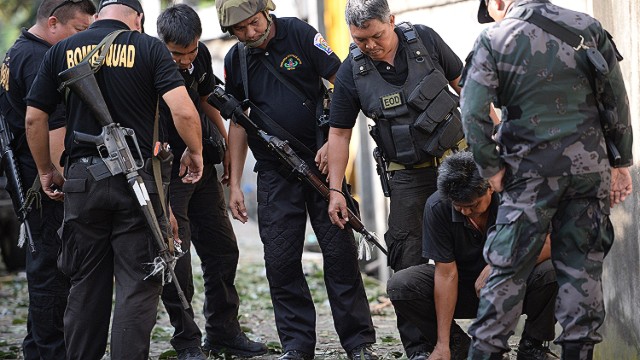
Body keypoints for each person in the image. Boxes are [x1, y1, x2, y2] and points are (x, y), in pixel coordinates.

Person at [24, 0, 204, 359]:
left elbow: (33, 119)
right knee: (137, 287)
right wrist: (196, 151)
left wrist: (46, 170)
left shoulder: (60, 50)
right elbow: (183, 110)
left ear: (99, 14)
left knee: (85, 286)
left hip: (82, 183)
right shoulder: (148, 47)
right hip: (137, 184)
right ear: (137, 18)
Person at [460, 0, 633, 359]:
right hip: (588, 172)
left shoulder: (495, 37)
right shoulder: (588, 27)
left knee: (506, 275)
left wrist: (491, 169)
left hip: (528, 176)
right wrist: (621, 162)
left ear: (497, 2)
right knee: (582, 275)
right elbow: (616, 100)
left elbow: (473, 111)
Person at [215, 0, 378, 359]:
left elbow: (342, 84)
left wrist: (331, 144)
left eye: (254, 23)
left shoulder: (299, 33)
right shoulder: (235, 59)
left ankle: (359, 343)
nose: (250, 33)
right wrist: (235, 183)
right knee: (281, 261)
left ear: (266, 12)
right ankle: (297, 345)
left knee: (340, 256)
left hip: (321, 165)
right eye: (239, 29)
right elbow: (238, 121)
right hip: (274, 173)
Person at [326, 0, 475, 358]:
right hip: (407, 179)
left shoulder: (424, 40)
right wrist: (335, 189)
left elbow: (467, 88)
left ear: (391, 21)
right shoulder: (352, 72)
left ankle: (494, 336)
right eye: (361, 40)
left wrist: (495, 143)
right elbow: (340, 134)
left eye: (376, 36)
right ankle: (425, 348)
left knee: (486, 245)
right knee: (405, 267)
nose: (370, 46)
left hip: (460, 164)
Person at [156, 4, 268, 360]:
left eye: (191, 52)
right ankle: (187, 340)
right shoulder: (150, 60)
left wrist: (225, 147)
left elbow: (205, 100)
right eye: (178, 54)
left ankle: (223, 333)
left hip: (201, 163)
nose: (186, 61)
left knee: (222, 248)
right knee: (178, 258)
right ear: (162, 43)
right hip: (166, 172)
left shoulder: (198, 56)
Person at [387, 151, 558, 360]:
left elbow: (551, 243)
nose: (466, 212)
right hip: (463, 290)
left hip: (511, 287)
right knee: (401, 284)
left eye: (473, 205)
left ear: (490, 188)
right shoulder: (437, 206)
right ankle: (458, 348)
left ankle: (532, 346)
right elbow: (446, 274)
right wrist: (442, 343)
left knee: (553, 271)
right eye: (458, 207)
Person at [0, 1, 95, 359]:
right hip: (39, 181)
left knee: (43, 267)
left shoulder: (18, 50)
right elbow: (50, 125)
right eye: (79, 31)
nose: (83, 41)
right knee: (50, 270)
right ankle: (50, 351)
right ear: (53, 23)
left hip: (26, 171)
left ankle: (35, 347)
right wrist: (59, 177)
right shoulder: (41, 58)